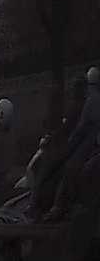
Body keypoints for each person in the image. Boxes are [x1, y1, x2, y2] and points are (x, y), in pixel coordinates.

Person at [44, 66, 100, 222]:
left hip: (90, 142)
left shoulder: (90, 100)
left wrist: (69, 144)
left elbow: (80, 128)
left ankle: (59, 207)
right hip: (93, 141)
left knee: (69, 167)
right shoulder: (91, 99)